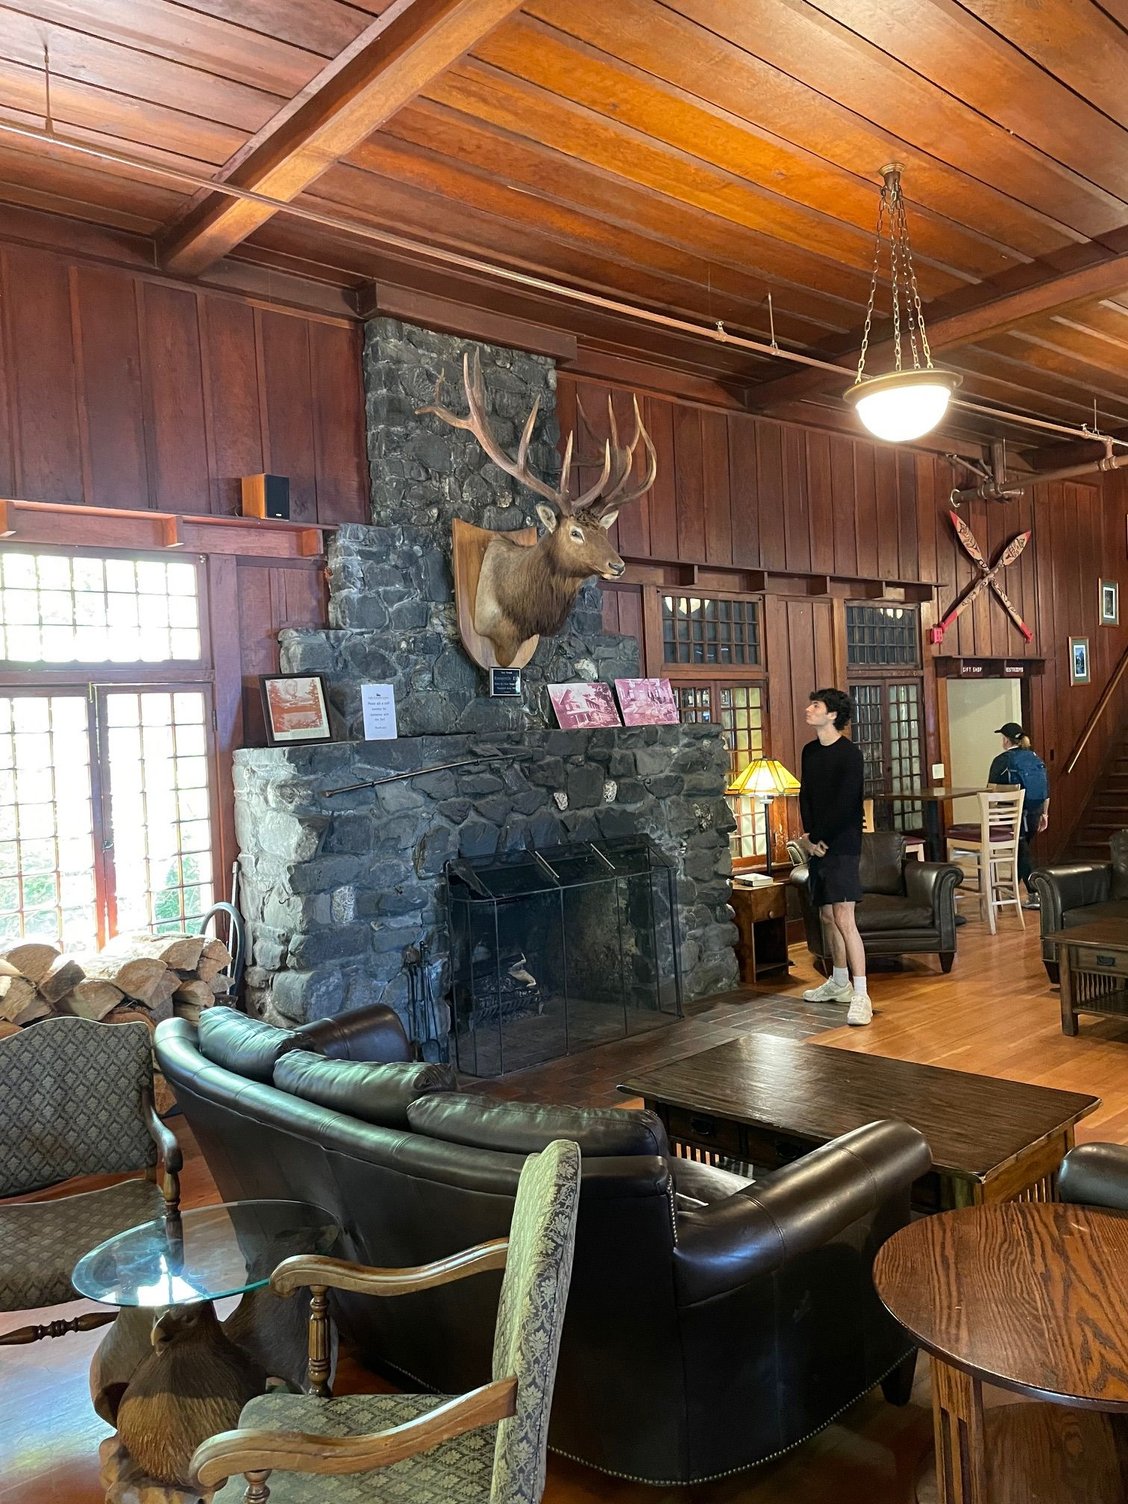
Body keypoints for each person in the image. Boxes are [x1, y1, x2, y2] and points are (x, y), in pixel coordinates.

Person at [798, 688, 871, 1026]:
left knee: (844, 917)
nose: (809, 709)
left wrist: (823, 838)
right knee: (827, 916)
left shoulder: (850, 755)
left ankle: (861, 995)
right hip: (818, 843)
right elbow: (806, 797)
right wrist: (809, 837)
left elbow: (847, 804)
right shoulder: (810, 751)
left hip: (843, 843)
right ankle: (839, 982)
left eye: (816, 705)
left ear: (832, 715)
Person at [987, 721, 1049, 908]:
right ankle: (1015, 888)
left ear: (1006, 740)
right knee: (1022, 849)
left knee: (1020, 851)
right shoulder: (1035, 757)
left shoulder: (1001, 760)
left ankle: (1035, 894)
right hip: (1036, 810)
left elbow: (990, 791)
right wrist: (1045, 814)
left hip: (1013, 812)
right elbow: (1046, 788)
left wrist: (994, 814)